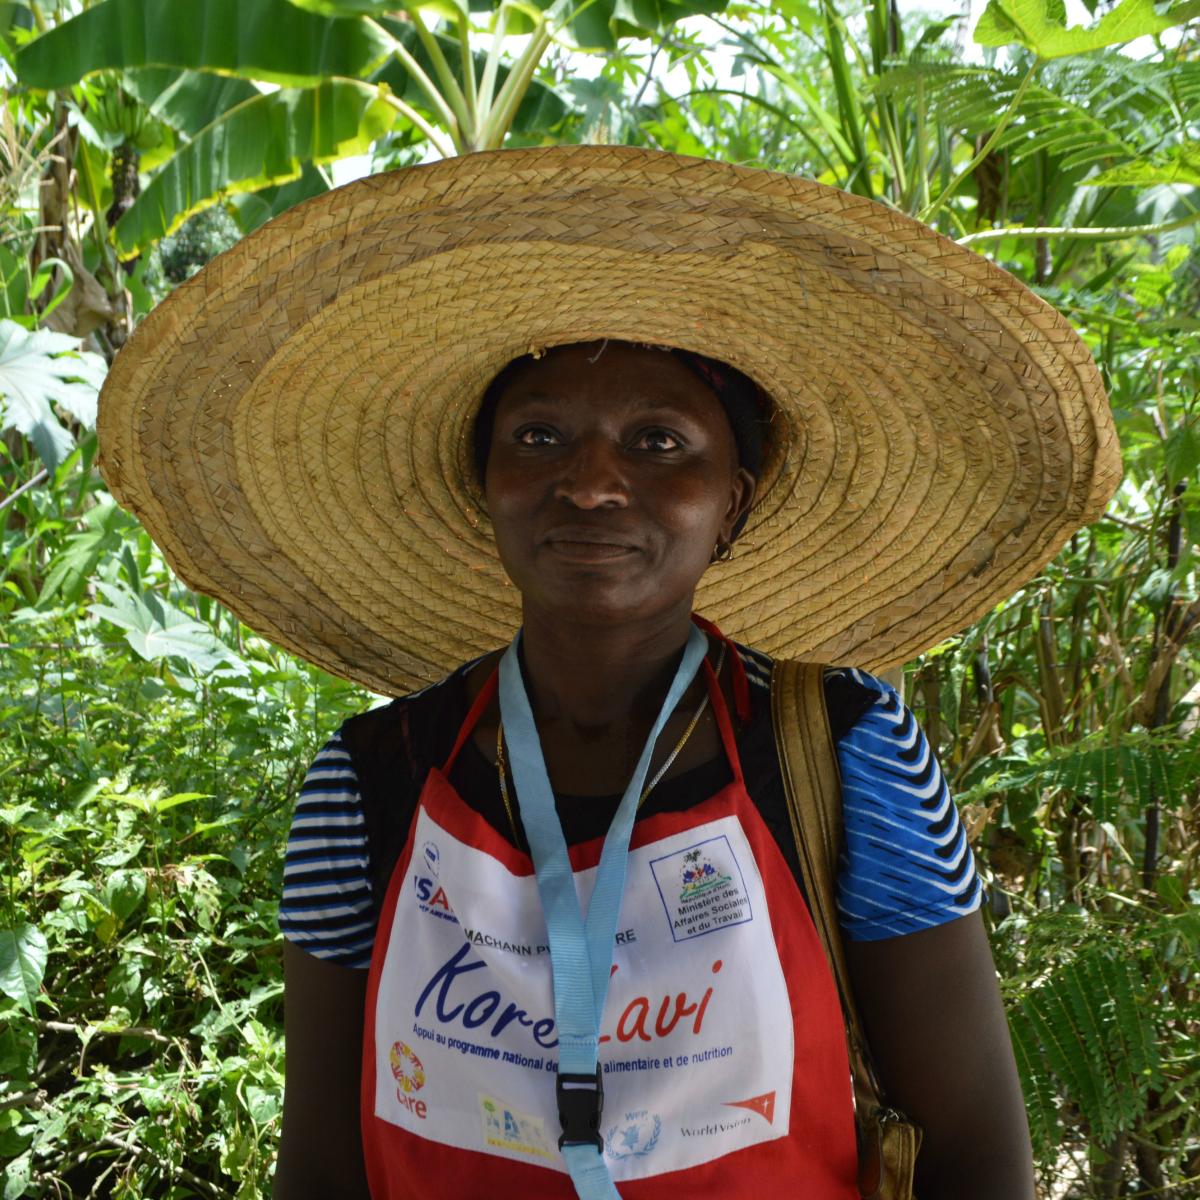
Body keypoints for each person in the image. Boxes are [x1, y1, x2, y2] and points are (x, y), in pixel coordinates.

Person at [95, 146, 1120, 1199]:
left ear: (732, 504)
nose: (591, 484)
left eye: (660, 442)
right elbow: (319, 1168)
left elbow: (979, 1155)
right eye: (539, 436)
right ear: (483, 483)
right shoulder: (367, 786)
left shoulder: (841, 753)